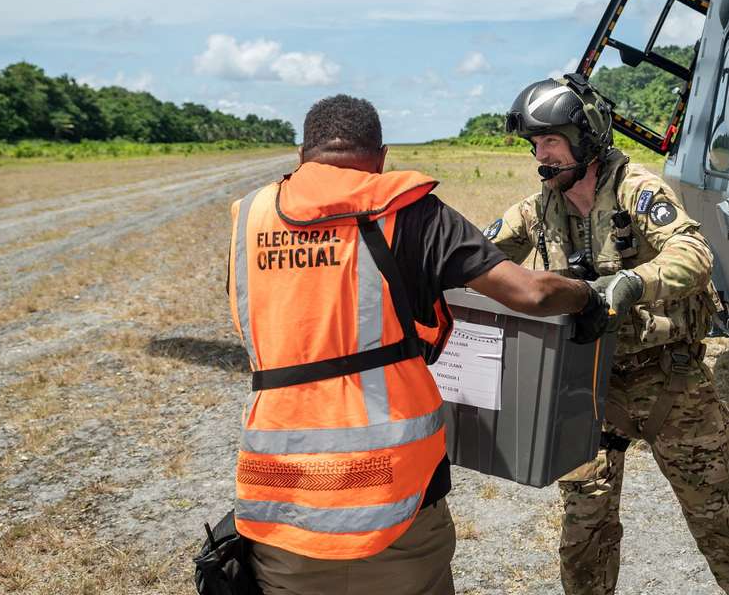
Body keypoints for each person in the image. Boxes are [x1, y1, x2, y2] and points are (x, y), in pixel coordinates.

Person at [225, 94, 617, 595]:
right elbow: (531, 292)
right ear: (382, 158)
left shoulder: (248, 219)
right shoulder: (409, 212)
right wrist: (587, 296)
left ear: (302, 157)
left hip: (279, 501)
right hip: (396, 501)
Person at [486, 74, 729, 595]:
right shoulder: (537, 207)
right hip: (585, 383)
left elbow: (694, 254)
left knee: (719, 519)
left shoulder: (637, 189)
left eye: (550, 141)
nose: (540, 156)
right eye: (534, 144)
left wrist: (631, 283)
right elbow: (480, 259)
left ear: (586, 137)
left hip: (669, 381)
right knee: (583, 529)